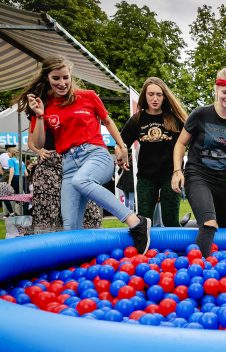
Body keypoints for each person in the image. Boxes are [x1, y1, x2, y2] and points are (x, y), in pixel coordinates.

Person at [15, 55, 150, 252]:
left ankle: (136, 222)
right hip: (68, 164)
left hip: (96, 154)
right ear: (47, 79)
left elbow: (108, 122)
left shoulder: (88, 96)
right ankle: (76, 268)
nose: (62, 83)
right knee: (70, 226)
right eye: (56, 78)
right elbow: (38, 143)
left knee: (82, 181)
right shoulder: (43, 105)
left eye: (65, 77)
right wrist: (40, 116)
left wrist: (121, 147)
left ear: (71, 76)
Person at [172, 67, 226, 258]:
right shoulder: (201, 114)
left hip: (223, 180)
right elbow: (180, 143)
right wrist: (177, 171)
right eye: (225, 92)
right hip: (197, 175)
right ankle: (198, 268)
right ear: (217, 90)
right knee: (210, 223)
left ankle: (194, 225)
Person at [120, 77, 188, 227]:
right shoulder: (137, 119)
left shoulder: (175, 119)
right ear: (144, 95)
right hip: (146, 177)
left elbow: (188, 141)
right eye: (151, 94)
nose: (155, 99)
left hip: (170, 176)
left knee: (170, 220)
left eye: (159, 94)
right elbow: (121, 143)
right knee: (143, 221)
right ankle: (144, 249)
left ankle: (174, 250)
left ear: (165, 96)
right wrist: (122, 154)